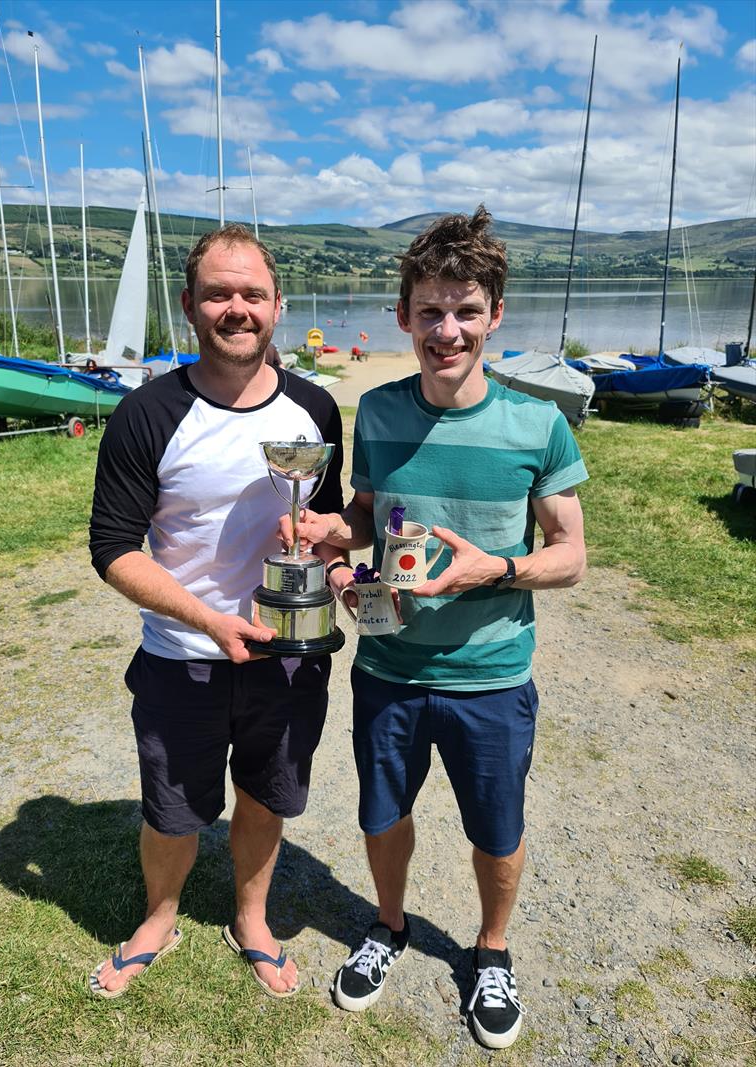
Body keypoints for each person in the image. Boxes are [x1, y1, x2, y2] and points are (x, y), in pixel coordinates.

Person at [280, 206, 588, 1049]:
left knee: (498, 830)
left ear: (495, 314)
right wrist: (336, 560)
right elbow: (364, 517)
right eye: (429, 311)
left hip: (491, 676)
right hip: (388, 670)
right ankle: (388, 925)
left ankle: (491, 950)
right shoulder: (376, 411)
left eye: (465, 309)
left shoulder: (539, 424)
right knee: (383, 817)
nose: (446, 330)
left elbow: (570, 555)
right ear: (404, 316)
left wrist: (499, 568)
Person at [88, 223, 345, 1000]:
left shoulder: (315, 409)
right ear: (190, 305)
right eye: (219, 293)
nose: (237, 308)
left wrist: (332, 563)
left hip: (288, 655)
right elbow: (112, 547)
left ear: (278, 305)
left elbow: (328, 525)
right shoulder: (147, 412)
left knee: (266, 795)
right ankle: (159, 916)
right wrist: (207, 619)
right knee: (172, 808)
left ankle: (252, 918)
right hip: (180, 657)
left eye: (253, 293)